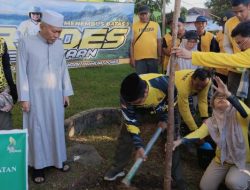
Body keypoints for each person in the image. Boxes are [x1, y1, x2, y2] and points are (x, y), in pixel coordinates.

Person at [16, 10, 73, 184]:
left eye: (59, 32)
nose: (57, 35)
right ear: (42, 26)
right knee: (37, 129)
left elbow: (62, 69)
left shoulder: (59, 44)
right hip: (35, 96)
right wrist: (24, 97)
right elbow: (21, 71)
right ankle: (38, 166)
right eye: (54, 31)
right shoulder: (26, 42)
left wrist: (65, 92)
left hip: (55, 95)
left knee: (55, 126)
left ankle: (57, 160)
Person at [104, 73, 187, 190]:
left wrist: (165, 119)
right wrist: (139, 146)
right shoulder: (126, 96)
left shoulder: (165, 85)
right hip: (141, 111)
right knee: (126, 133)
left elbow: (171, 107)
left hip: (163, 108)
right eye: (131, 103)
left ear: (146, 92)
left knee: (172, 140)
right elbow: (130, 122)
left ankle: (177, 177)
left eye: (136, 102)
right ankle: (117, 168)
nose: (132, 104)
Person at [173, 77, 250, 190]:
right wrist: (180, 141)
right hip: (222, 160)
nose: (221, 98)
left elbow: (246, 113)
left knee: (233, 183)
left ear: (231, 103)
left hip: (243, 160)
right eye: (217, 97)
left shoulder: (240, 115)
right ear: (212, 104)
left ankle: (243, 181)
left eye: (224, 97)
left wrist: (228, 94)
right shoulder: (212, 121)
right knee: (205, 187)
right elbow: (199, 133)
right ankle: (230, 174)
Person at [223, 0, 250, 105]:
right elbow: (226, 45)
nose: (238, 15)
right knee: (231, 98)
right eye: (235, 12)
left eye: (241, 11)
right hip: (235, 68)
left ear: (249, 6)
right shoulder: (229, 23)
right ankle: (233, 120)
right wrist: (233, 59)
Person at [175, 69, 211, 134]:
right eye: (197, 85)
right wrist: (194, 130)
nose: (200, 88)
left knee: (192, 113)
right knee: (177, 114)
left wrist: (205, 117)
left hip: (188, 90)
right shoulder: (183, 88)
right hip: (173, 85)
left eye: (202, 86)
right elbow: (184, 110)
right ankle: (179, 132)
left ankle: (188, 128)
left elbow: (202, 99)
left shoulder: (207, 81)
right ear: (192, 79)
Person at [130, 5, 162, 74]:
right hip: (139, 59)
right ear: (138, 15)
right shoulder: (134, 26)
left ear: (149, 14)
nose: (144, 16)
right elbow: (131, 44)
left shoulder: (156, 25)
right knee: (141, 80)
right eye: (142, 14)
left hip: (153, 58)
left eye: (146, 13)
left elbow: (159, 42)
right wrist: (132, 58)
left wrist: (160, 56)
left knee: (153, 79)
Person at [0, 38, 17, 130]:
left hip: (2, 93)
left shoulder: (1, 42)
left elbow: (6, 66)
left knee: (4, 130)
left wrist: (13, 90)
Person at [215, 11, 235, 83]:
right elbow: (216, 50)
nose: (225, 26)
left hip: (234, 69)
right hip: (220, 70)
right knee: (218, 92)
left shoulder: (239, 35)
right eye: (223, 24)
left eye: (227, 24)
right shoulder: (219, 34)